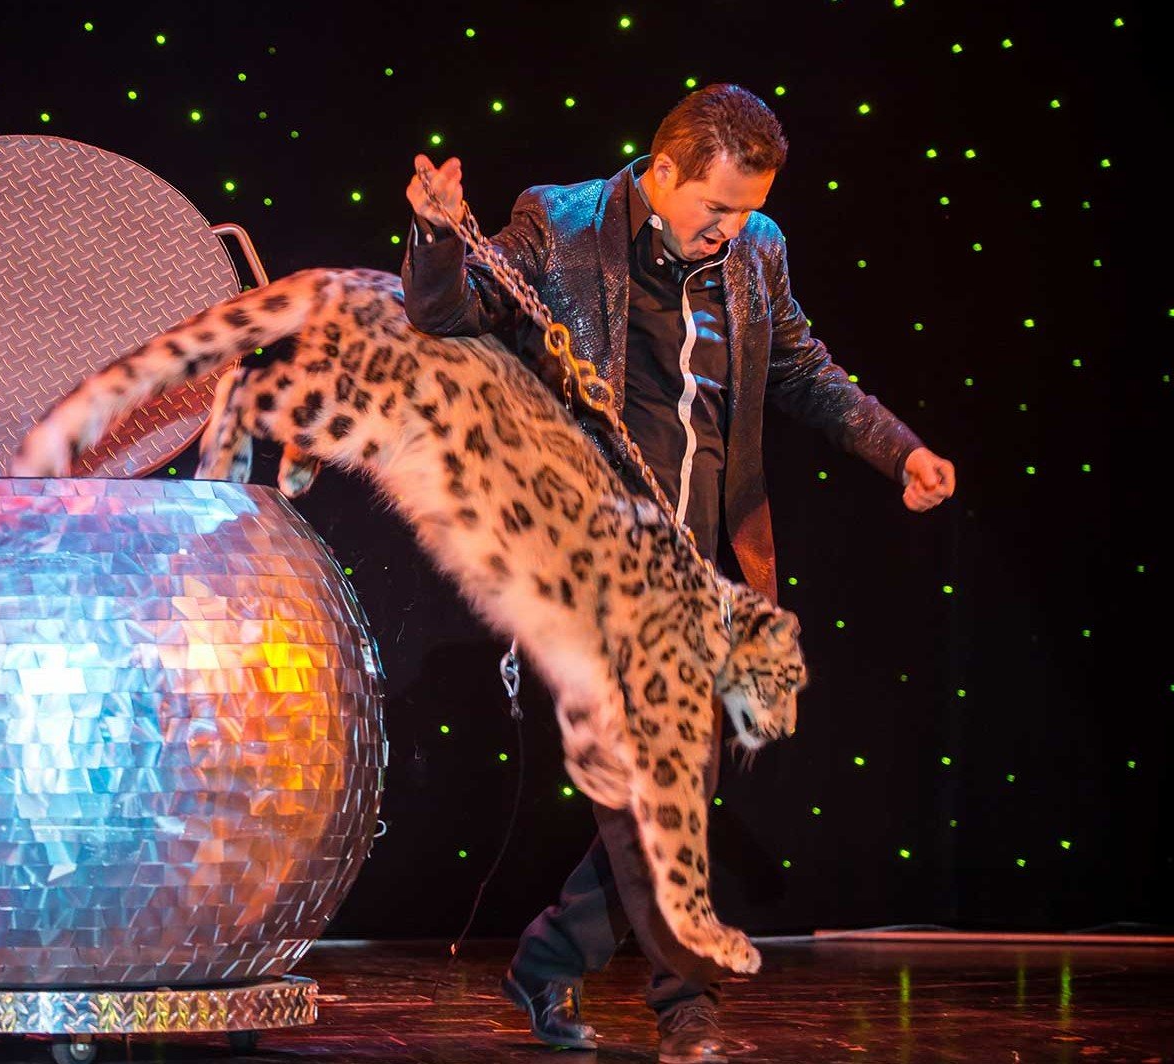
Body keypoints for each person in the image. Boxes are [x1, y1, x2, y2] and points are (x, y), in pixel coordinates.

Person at [401, 83, 955, 1063]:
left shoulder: (758, 249)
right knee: (648, 779)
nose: (732, 229)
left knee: (678, 785)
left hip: (706, 564)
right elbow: (447, 314)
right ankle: (684, 1001)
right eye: (717, 208)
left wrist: (897, 449)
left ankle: (547, 959)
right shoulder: (561, 223)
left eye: (747, 210)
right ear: (662, 173)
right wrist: (437, 234)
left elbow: (801, 369)